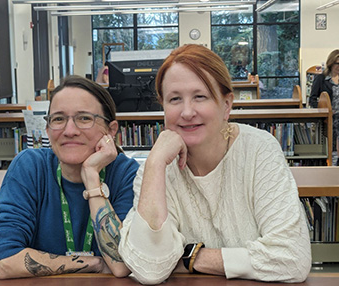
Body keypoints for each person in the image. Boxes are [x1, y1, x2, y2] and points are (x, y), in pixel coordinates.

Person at [118, 44, 311, 285]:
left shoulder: (259, 149)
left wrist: (191, 257)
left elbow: (293, 258)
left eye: (200, 97)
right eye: (175, 99)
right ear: (163, 107)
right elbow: (149, 270)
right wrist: (155, 163)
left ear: (227, 105)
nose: (187, 112)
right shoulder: (156, 168)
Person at [0, 75, 139, 279]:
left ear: (111, 130)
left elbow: (121, 264)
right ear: (48, 129)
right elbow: (5, 262)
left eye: (84, 118)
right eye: (58, 119)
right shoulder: (29, 167)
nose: (69, 131)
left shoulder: (127, 174)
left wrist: (92, 178)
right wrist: (94, 263)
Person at [309, 50, 339, 161]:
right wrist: (325, 110)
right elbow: (312, 99)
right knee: (330, 148)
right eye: (337, 63)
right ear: (331, 63)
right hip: (328, 119)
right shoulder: (321, 78)